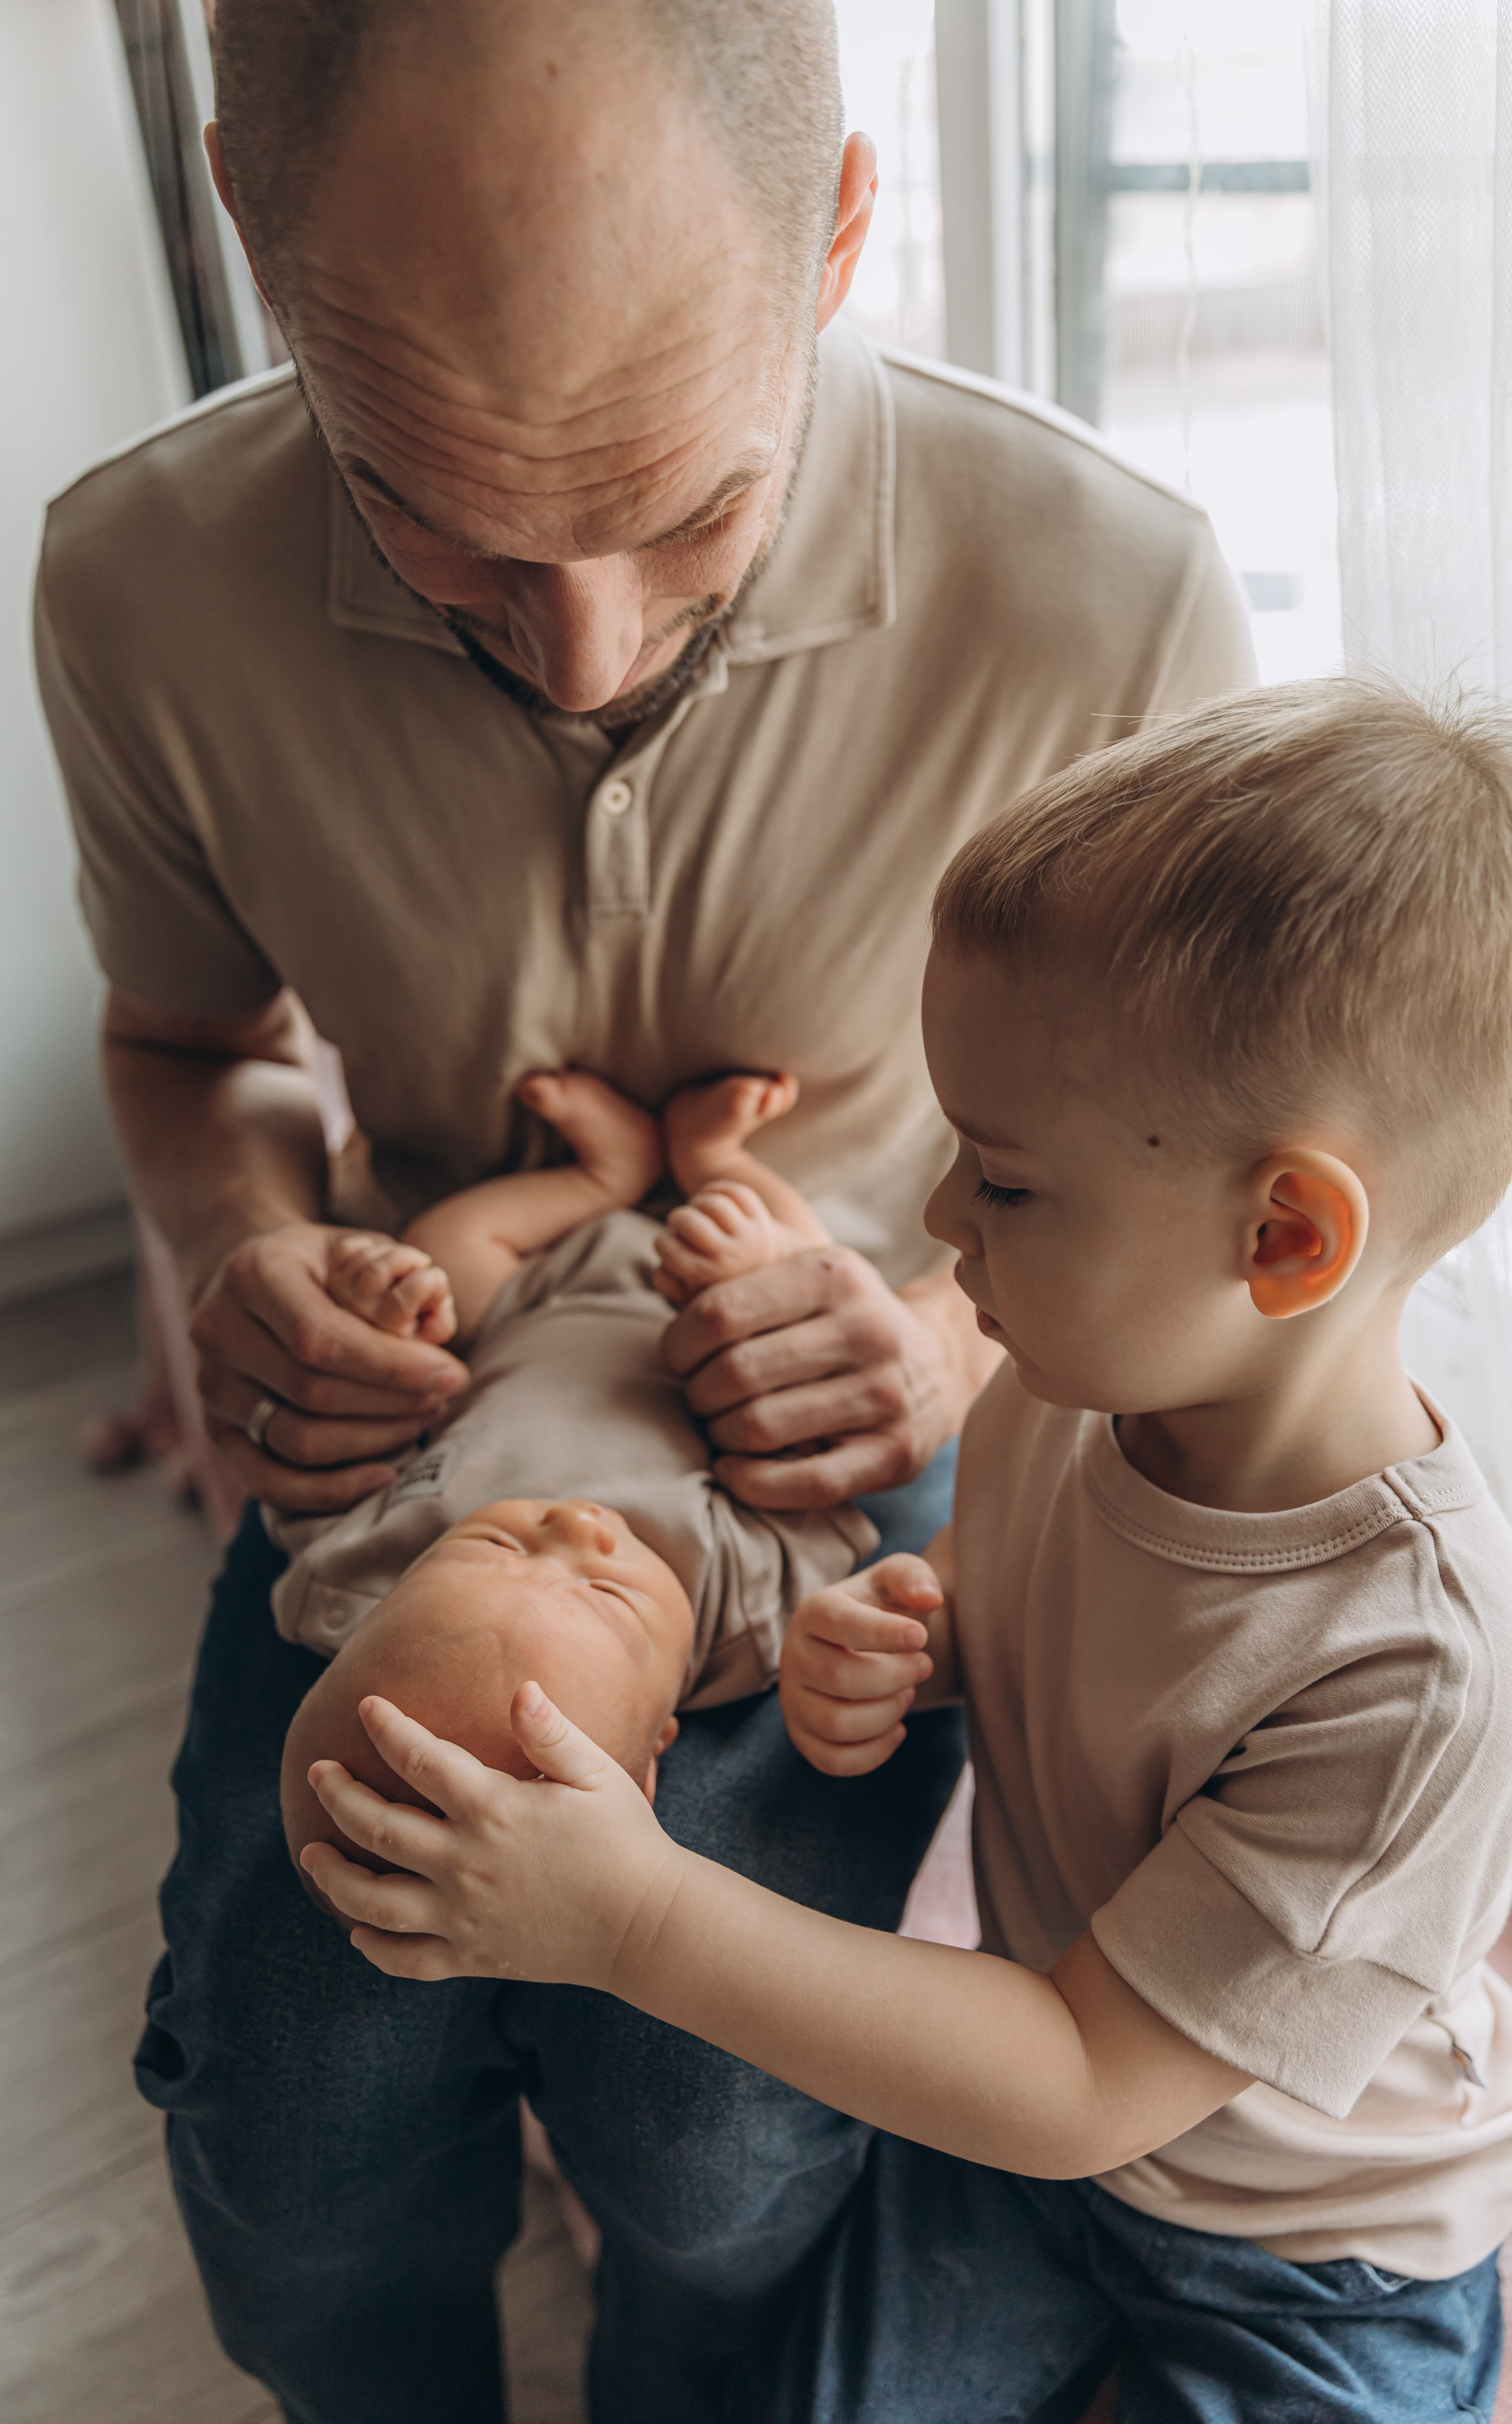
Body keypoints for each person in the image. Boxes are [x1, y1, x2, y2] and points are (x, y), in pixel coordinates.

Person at [34, 0, 1252, 2413]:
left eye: (689, 508)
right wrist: (238, 1255)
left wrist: (953, 1336)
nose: (581, 648)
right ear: (249, 241)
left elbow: (1220, 1201)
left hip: (853, 1428)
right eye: (438, 512)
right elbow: (190, 1057)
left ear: (842, 228)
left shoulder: (1116, 603)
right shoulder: (135, 585)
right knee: (296, 2120)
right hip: (427, 1411)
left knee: (717, 2140)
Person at [307, 680, 1512, 2424]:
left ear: (1283, 1235)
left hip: (1311, 2244)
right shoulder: (1067, 1385)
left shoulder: (1416, 1670)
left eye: (1005, 1180)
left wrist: (631, 1916)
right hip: (1039, 2169)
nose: (934, 1226)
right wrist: (917, 1631)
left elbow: (1076, 2077)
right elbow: (1051, 1624)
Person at [280, 1063, 876, 1886]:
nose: (578, 1527)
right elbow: (821, 1467)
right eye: (608, 1594)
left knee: (439, 1254)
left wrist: (385, 1308)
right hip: (721, 1324)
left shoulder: (366, 1570)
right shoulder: (739, 1613)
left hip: (530, 1296)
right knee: (813, 1300)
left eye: (498, 1547)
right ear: (653, 1748)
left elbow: (320, 1464)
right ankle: (714, 1156)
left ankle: (603, 1174)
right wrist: (755, 1270)